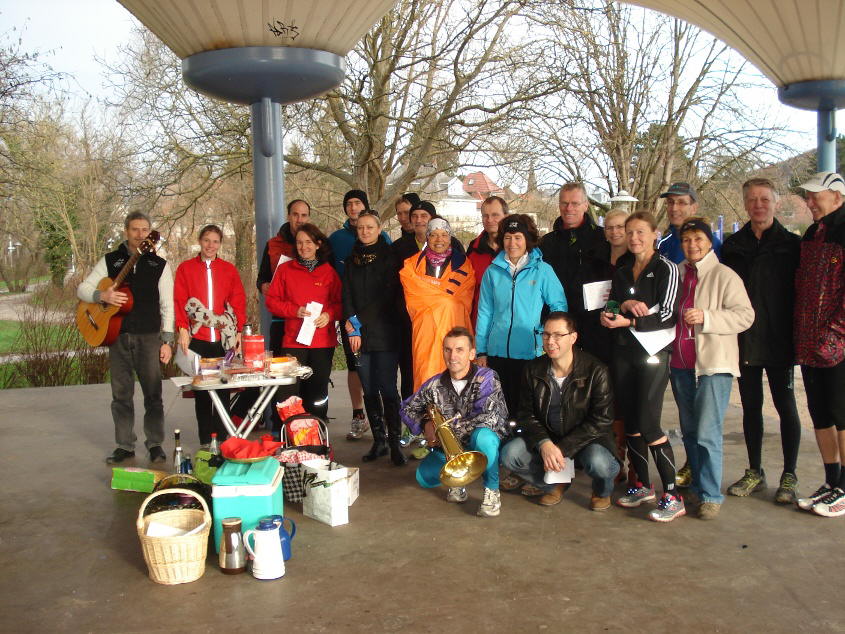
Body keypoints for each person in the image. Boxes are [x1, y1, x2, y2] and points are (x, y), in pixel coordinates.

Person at [721, 178, 802, 504]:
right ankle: (754, 470)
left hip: (780, 338)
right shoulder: (733, 245)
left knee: (786, 406)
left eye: (765, 199)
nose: (758, 205)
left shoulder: (791, 245)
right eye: (752, 199)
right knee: (751, 406)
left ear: (776, 202)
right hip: (745, 339)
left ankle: (790, 474)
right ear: (744, 204)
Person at [600, 211, 683, 522]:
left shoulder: (666, 268)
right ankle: (642, 484)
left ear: (654, 234)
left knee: (649, 423)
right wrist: (615, 311)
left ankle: (672, 494)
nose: (634, 238)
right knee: (631, 421)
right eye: (629, 232)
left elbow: (668, 315)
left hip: (654, 352)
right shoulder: (623, 270)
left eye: (640, 233)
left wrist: (631, 319)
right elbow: (612, 303)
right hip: (624, 351)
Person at [669, 218, 754, 520]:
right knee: (690, 431)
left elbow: (745, 316)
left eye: (698, 239)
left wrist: (707, 316)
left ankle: (711, 494)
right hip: (680, 365)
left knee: (707, 432)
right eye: (687, 240)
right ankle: (696, 485)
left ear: (709, 241)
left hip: (712, 367)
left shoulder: (725, 276)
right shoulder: (676, 273)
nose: (692, 245)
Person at [77, 211, 174, 464]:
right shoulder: (110, 260)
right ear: (126, 231)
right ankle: (124, 445)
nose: (140, 234)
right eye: (135, 230)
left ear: (150, 234)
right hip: (117, 335)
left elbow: (168, 305)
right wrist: (102, 297)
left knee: (153, 394)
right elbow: (83, 288)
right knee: (121, 395)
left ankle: (155, 444)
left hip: (149, 336)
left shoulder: (160, 265)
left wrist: (167, 340)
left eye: (144, 230)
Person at [500, 312, 619, 510]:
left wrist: (562, 449)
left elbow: (602, 420)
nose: (550, 341)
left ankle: (601, 491)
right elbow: (525, 415)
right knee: (510, 454)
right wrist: (544, 443)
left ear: (573, 337)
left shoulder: (596, 370)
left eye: (557, 335)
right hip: (550, 436)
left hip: (587, 440)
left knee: (599, 462)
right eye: (545, 335)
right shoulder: (532, 370)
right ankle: (556, 482)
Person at [400, 327, 508, 517]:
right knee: (423, 477)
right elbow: (407, 408)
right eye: (447, 349)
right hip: (450, 449)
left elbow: (488, 417)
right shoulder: (434, 384)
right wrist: (426, 424)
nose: (452, 356)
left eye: (460, 350)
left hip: (478, 441)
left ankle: (492, 490)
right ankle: (460, 482)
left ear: (472, 353)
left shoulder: (487, 377)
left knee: (484, 438)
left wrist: (442, 429)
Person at [475, 214, 567, 413]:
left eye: (518, 237)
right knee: (498, 406)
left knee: (527, 406)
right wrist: (481, 350)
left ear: (527, 239)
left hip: (529, 352)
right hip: (496, 351)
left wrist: (543, 334)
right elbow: (484, 312)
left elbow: (559, 308)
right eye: (507, 237)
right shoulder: (493, 271)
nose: (512, 243)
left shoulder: (542, 270)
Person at [793, 172, 845, 517]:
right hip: (809, 342)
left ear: (837, 198)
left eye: (816, 197)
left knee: (842, 416)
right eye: (808, 197)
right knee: (820, 414)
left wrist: (836, 334)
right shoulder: (813, 232)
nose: (810, 203)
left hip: (837, 344)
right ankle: (832, 481)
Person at [343, 210, 407, 466]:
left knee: (388, 389)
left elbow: (386, 297)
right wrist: (350, 322)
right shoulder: (351, 260)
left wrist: (357, 321)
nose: (364, 231)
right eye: (360, 227)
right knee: (368, 388)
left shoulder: (390, 258)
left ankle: (394, 441)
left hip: (385, 332)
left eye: (369, 227)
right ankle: (378, 440)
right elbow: (346, 293)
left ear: (379, 229)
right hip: (357, 335)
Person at [174, 225, 247, 446]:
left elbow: (238, 302)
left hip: (222, 341)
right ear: (199, 240)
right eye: (207, 240)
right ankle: (206, 441)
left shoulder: (228, 270)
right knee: (203, 395)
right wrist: (182, 328)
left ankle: (223, 440)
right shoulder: (186, 269)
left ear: (220, 244)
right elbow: (179, 300)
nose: (210, 245)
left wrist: (238, 331)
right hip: (199, 340)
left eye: (215, 241)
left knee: (223, 393)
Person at [329, 189, 392, 441]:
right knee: (356, 369)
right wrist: (349, 318)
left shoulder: (384, 239)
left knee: (382, 375)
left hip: (378, 321)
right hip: (350, 315)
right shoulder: (336, 239)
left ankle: (388, 425)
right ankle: (359, 415)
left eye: (358, 203)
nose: (353, 207)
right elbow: (336, 279)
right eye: (349, 204)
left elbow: (386, 286)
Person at [265, 223, 341, 421]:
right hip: (293, 341)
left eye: (308, 242)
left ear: (318, 244)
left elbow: (340, 303)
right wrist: (294, 311)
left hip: (322, 343)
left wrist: (329, 315)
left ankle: (317, 435)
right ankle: (291, 437)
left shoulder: (329, 272)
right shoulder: (284, 270)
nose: (303, 246)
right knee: (289, 392)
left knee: (317, 392)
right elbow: (271, 302)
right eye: (299, 242)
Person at [400, 218, 476, 392]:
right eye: (433, 235)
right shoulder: (412, 265)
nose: (438, 239)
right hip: (425, 333)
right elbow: (414, 299)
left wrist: (432, 294)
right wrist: (444, 298)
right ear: (427, 238)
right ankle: (428, 418)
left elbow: (461, 301)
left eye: (443, 235)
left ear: (450, 238)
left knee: (457, 380)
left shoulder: (464, 265)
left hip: (454, 330)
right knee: (426, 379)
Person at [539, 182, 610, 361]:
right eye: (564, 203)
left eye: (575, 203)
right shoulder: (547, 243)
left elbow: (618, 278)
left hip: (595, 326)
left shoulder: (603, 238)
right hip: (558, 326)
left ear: (586, 205)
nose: (569, 208)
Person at [256, 198, 312, 354]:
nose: (299, 219)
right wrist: (263, 285)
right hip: (281, 316)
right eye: (295, 215)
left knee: (309, 371)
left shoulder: (318, 244)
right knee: (280, 367)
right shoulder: (273, 244)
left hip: (308, 317)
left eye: (304, 215)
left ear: (308, 218)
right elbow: (262, 277)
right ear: (288, 216)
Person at [466, 195, 508, 325]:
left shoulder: (517, 247)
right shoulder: (474, 248)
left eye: (495, 215)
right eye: (485, 215)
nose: (489, 220)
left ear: (506, 216)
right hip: (479, 322)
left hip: (509, 322)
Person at [656, 182, 722, 264]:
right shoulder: (664, 243)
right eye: (670, 202)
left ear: (694, 208)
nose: (674, 208)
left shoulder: (711, 243)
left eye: (681, 203)